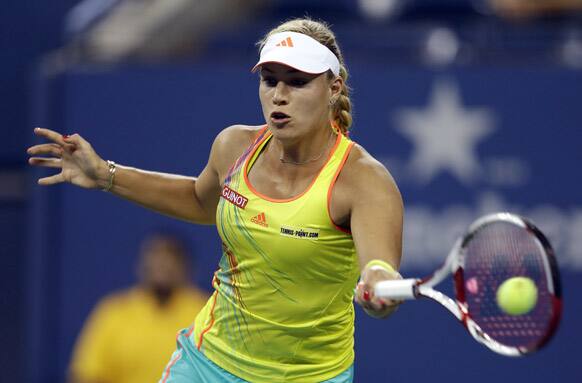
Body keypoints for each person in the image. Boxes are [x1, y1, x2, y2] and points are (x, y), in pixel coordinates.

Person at [28, 17, 404, 383]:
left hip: (311, 376)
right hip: (207, 364)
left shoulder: (364, 180)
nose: (279, 95)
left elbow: (379, 267)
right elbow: (199, 200)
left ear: (334, 87)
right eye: (270, 80)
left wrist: (379, 287)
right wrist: (105, 175)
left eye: (298, 82)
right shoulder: (234, 146)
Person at [68, 232, 209, 383]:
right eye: (155, 257)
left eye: (170, 257)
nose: (162, 264)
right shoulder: (115, 312)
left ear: (186, 267)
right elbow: (86, 374)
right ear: (142, 265)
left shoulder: (206, 312)